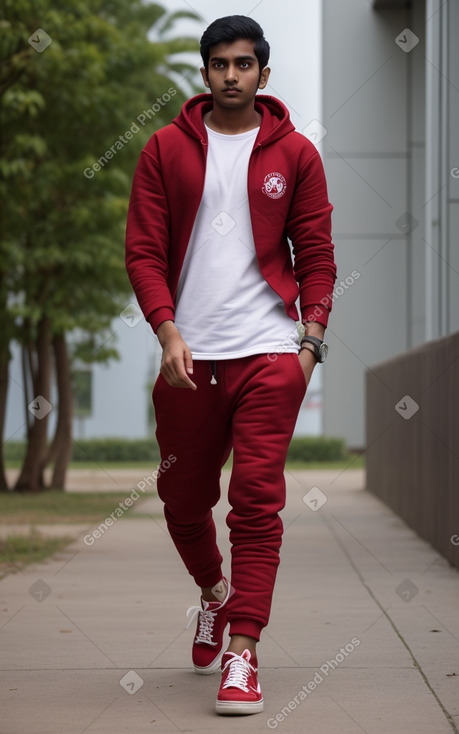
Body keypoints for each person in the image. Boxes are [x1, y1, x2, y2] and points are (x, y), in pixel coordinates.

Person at [125, 14, 336, 716]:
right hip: (190, 359)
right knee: (183, 503)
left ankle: (243, 653)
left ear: (262, 74)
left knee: (256, 501)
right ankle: (215, 596)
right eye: (218, 64)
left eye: (243, 64)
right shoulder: (164, 149)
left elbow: (317, 255)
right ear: (205, 72)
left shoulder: (296, 153)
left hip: (270, 353)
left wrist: (308, 342)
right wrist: (166, 330)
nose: (231, 75)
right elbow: (143, 251)